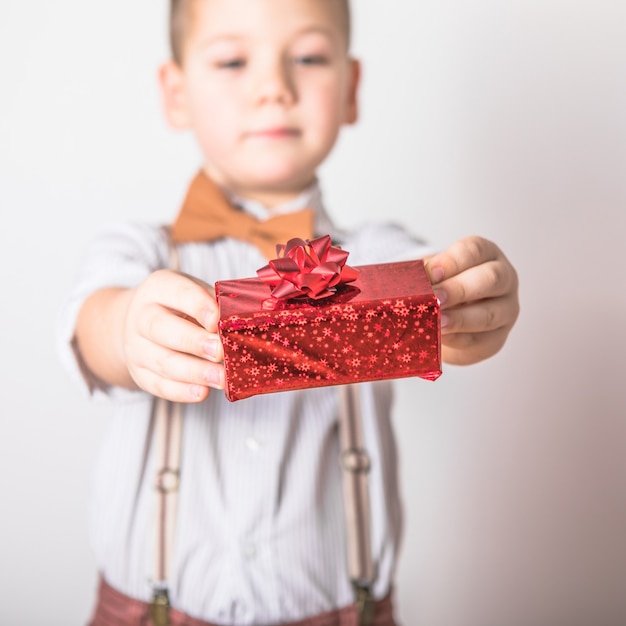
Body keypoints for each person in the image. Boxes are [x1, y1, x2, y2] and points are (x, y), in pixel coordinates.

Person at [58, 0, 520, 624]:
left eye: (307, 56)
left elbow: (437, 288)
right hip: (148, 611)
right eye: (231, 60)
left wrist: (469, 306)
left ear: (352, 89)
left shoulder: (379, 253)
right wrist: (128, 329)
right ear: (176, 93)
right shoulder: (138, 253)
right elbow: (95, 327)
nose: (273, 88)